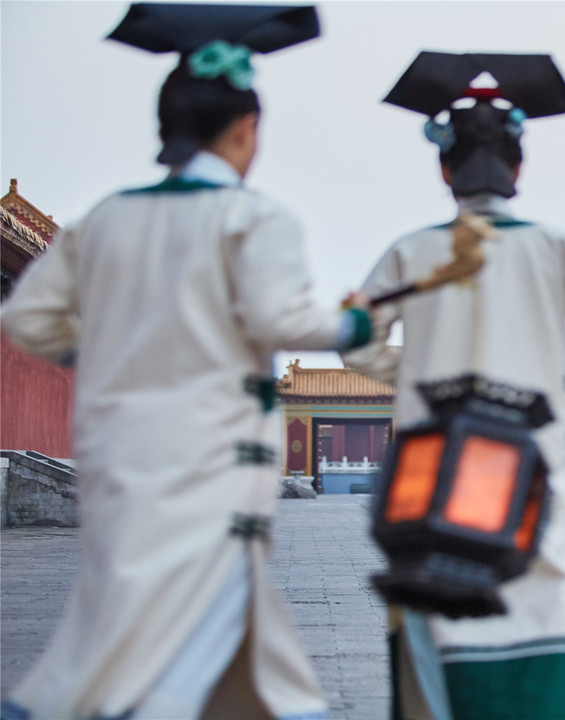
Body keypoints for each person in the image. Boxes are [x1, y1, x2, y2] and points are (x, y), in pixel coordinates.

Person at [0, 5, 368, 719]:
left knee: (133, 585)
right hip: (214, 449)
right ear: (245, 129)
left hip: (120, 443)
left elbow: (26, 318)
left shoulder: (106, 216)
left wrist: (108, 350)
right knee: (199, 599)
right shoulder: (255, 218)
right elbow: (281, 320)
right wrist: (354, 320)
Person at [341, 51, 565, 719]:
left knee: (429, 591)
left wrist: (412, 374)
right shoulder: (557, 247)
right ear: (518, 166)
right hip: (529, 450)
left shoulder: (413, 250)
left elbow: (357, 336)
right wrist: (544, 376)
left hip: (429, 454)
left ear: (444, 168)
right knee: (537, 596)